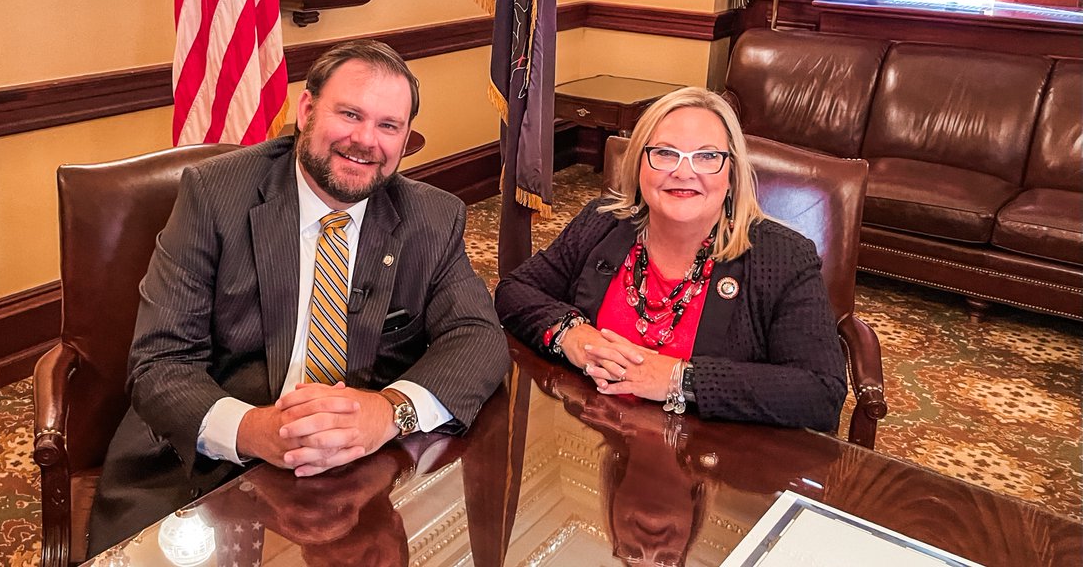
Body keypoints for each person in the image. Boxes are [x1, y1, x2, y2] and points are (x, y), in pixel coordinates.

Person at [88, 40, 509, 556]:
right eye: (349, 114)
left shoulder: (433, 216)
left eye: (388, 125)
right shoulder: (214, 195)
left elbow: (478, 336)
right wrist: (255, 429)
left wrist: (389, 412)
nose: (365, 140)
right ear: (307, 110)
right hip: (213, 462)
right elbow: (160, 361)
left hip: (362, 467)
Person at [494, 87, 846, 432]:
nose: (683, 172)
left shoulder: (782, 256)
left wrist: (680, 378)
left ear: (732, 173)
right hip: (597, 442)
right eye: (665, 153)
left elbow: (821, 393)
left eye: (707, 157)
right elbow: (514, 290)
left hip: (711, 456)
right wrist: (572, 335)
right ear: (639, 163)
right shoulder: (602, 222)